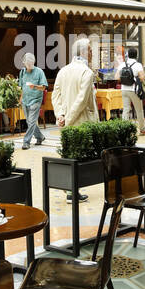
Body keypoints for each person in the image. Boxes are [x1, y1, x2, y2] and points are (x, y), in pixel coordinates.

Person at [53, 38, 98, 203]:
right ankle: (73, 191)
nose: (92, 53)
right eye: (91, 50)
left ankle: (71, 191)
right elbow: (82, 99)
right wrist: (69, 119)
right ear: (83, 52)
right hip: (81, 121)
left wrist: (60, 115)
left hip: (66, 121)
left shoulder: (63, 71)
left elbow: (55, 95)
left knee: (69, 155)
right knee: (79, 156)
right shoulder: (87, 72)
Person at [18, 52, 48, 150]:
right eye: (28, 64)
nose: (30, 66)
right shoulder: (22, 72)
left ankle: (26, 142)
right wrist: (20, 99)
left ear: (34, 62)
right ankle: (40, 137)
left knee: (31, 121)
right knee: (29, 121)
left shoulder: (39, 72)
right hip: (25, 100)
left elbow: (43, 87)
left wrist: (34, 86)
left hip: (36, 100)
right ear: (24, 63)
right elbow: (21, 87)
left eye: (31, 64)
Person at [119, 47, 145, 134]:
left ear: (128, 55)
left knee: (126, 109)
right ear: (136, 55)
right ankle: (142, 129)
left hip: (124, 89)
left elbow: (116, 77)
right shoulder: (138, 65)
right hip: (133, 90)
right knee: (139, 110)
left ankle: (124, 130)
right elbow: (142, 77)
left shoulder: (122, 64)